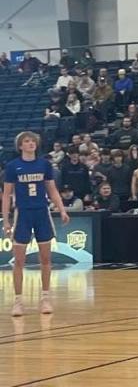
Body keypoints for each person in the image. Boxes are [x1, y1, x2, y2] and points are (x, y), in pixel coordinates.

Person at [2, 132, 70, 316]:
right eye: (27, 141)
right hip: (22, 214)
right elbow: (6, 195)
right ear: (20, 146)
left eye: (33, 141)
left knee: (46, 258)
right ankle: (17, 302)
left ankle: (45, 298)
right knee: (19, 260)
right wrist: (6, 220)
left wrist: (62, 209)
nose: (31, 143)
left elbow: (52, 189)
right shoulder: (12, 166)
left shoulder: (44, 164)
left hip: (42, 213)